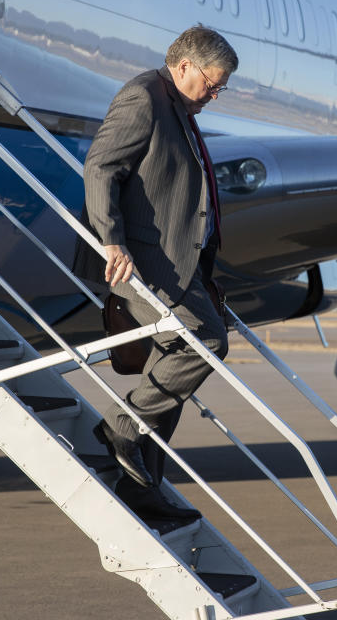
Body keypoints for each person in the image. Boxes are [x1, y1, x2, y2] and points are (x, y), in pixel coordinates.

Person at [73, 25, 238, 520]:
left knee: (172, 366)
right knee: (205, 342)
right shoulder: (143, 97)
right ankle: (121, 426)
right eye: (212, 82)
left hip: (179, 263)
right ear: (184, 65)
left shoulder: (180, 107)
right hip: (140, 261)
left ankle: (144, 486)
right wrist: (111, 238)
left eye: (221, 87)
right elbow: (101, 168)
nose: (215, 93)